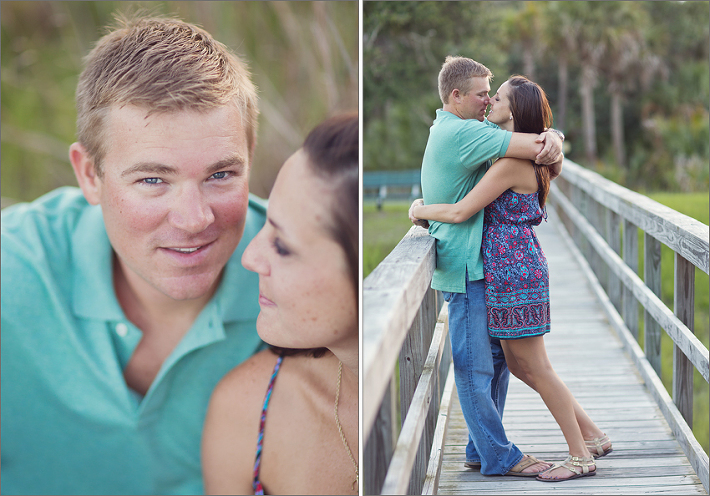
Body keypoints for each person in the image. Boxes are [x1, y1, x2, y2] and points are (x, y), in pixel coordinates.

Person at [1, 15, 266, 495]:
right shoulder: (12, 269)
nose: (194, 219)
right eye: (152, 180)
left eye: (221, 175)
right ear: (89, 175)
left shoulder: (309, 273)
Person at [410, 75, 613, 482]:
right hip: (515, 266)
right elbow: (548, 150)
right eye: (486, 94)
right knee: (522, 366)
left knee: (535, 367)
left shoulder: (509, 163)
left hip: (512, 269)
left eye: (497, 97)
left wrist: (420, 209)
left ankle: (580, 457)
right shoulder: (530, 157)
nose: (490, 101)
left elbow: (459, 211)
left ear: (514, 111)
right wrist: (552, 135)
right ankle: (591, 436)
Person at [202, 113, 359, 495]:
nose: (250, 258)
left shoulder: (420, 383)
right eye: (266, 226)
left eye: (283, 246)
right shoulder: (248, 409)